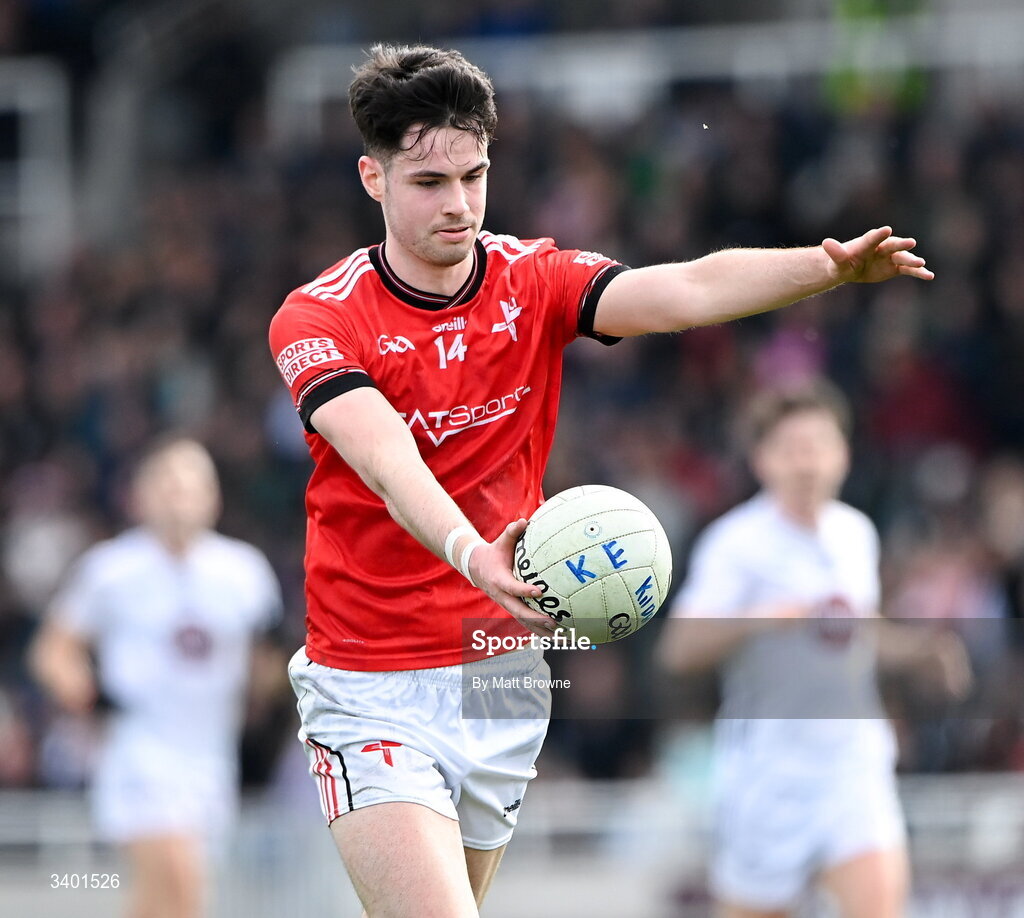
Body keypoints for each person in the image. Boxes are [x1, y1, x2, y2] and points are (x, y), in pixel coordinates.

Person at [267, 43, 935, 918]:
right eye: (430, 184)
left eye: (475, 175)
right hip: (372, 678)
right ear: (372, 177)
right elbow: (390, 463)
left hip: (503, 669)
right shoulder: (318, 316)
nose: (460, 204)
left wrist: (827, 267)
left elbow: (682, 291)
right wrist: (475, 556)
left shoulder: (531, 278)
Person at [656, 383, 970, 918]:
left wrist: (924, 651)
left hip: (852, 764)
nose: (808, 462)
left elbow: (857, 636)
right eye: (792, 448)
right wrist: (760, 619)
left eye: (819, 446)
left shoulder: (855, 533)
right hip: (768, 774)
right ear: (763, 460)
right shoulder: (735, 543)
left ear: (843, 453)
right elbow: (678, 649)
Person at [30, 437, 284, 918]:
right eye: (167, 484)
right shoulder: (111, 569)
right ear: (140, 494)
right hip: (139, 749)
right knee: (178, 876)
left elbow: (267, 662)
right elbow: (52, 650)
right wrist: (82, 690)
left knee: (165, 900)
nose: (179, 496)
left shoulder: (245, 573)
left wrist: (268, 692)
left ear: (214, 496)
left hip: (210, 755)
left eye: (191, 485)